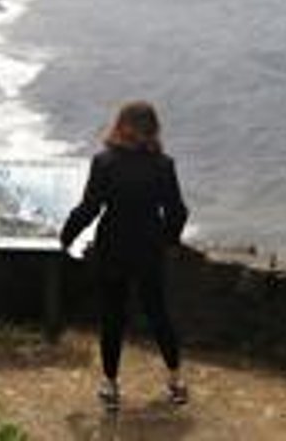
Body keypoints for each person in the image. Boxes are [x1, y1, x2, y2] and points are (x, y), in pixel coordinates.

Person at [60, 100, 190, 411]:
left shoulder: (105, 162)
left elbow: (90, 208)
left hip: (113, 247)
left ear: (120, 124)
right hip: (148, 248)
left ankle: (111, 386)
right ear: (153, 128)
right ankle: (175, 381)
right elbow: (178, 212)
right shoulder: (163, 164)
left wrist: (66, 236)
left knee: (113, 317)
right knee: (158, 315)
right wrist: (168, 240)